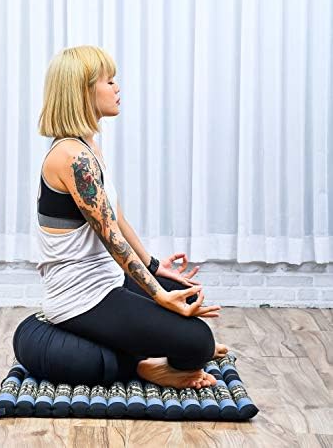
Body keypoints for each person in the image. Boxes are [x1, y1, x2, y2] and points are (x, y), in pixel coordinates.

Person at [17, 45, 228, 390]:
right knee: (198, 342)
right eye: (109, 80)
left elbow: (117, 220)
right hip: (81, 297)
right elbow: (110, 237)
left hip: (108, 281)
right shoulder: (71, 157)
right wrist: (158, 295)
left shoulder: (88, 146)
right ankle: (145, 365)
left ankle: (148, 353)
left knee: (187, 296)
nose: (117, 87)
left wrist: (155, 267)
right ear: (83, 91)